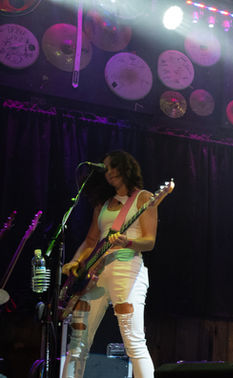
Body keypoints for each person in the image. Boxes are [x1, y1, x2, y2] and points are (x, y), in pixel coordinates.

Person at [61, 150, 157, 378]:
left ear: (125, 168)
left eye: (113, 166)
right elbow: (91, 240)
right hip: (95, 274)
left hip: (127, 269)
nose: (108, 172)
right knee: (77, 344)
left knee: (133, 341)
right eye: (105, 168)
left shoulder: (143, 198)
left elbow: (149, 241)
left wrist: (127, 241)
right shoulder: (102, 204)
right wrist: (75, 261)